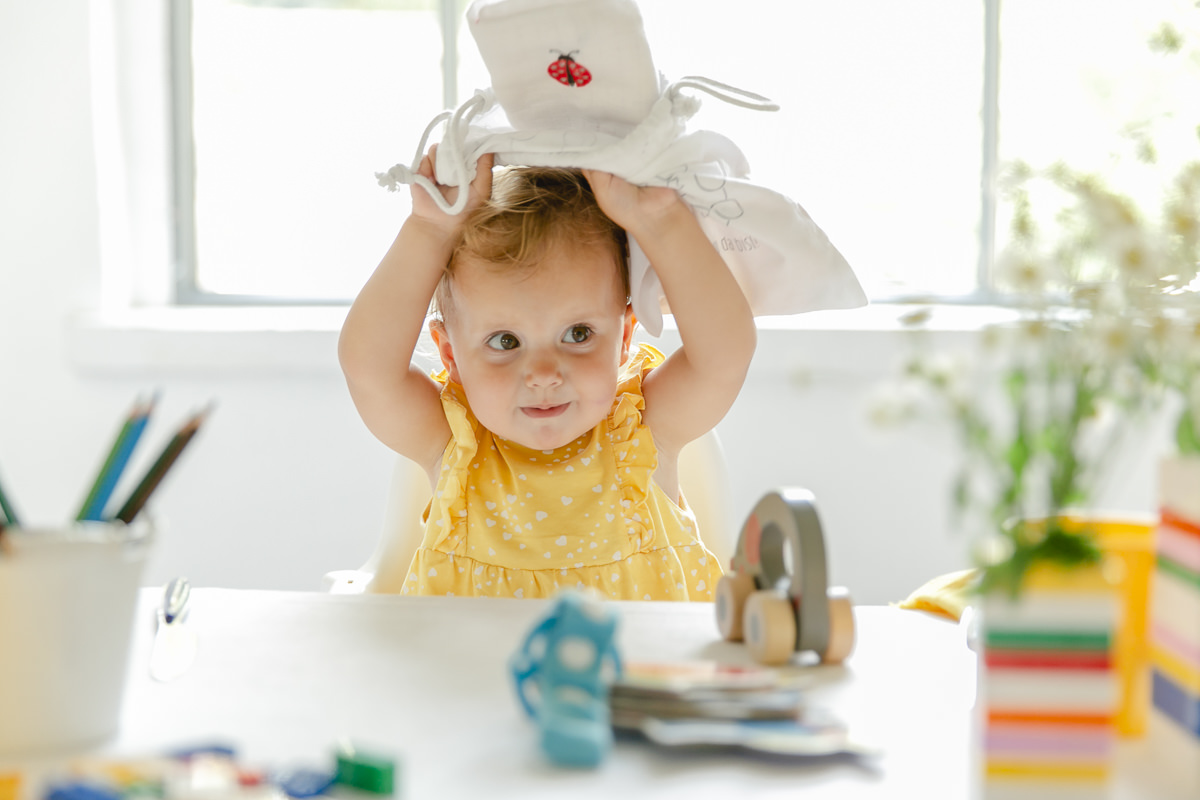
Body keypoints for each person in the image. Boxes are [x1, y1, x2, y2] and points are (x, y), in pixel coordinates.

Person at [339, 145, 756, 600]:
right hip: (471, 672)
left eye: (577, 334)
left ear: (622, 339)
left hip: (638, 670)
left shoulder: (644, 429)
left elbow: (723, 356)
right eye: (504, 342)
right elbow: (369, 369)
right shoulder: (449, 441)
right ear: (451, 355)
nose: (542, 374)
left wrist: (663, 222)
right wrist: (430, 229)